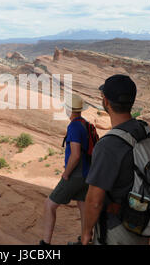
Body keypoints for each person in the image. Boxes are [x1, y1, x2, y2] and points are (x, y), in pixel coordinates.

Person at [81, 74, 150, 245]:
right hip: (141, 223)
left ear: (105, 101)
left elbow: (94, 201)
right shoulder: (143, 130)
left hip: (117, 230)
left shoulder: (108, 145)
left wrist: (86, 232)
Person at [40, 94, 91, 245]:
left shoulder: (74, 126)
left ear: (69, 109)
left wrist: (66, 174)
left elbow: (75, 155)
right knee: (82, 206)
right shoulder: (86, 124)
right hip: (87, 174)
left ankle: (45, 244)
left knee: (49, 205)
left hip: (75, 175)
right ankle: (85, 240)